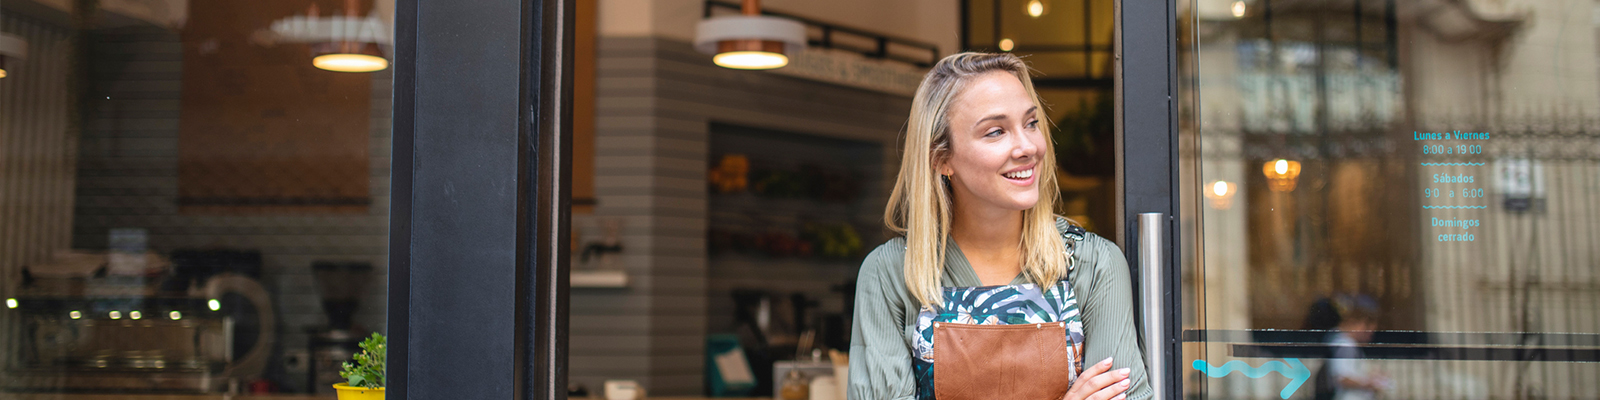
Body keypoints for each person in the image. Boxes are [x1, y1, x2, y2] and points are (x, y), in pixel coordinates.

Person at [847, 52, 1151, 400]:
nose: (1027, 147)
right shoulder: (891, 274)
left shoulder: (1092, 264)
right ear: (941, 159)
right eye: (996, 132)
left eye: (1031, 123)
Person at [1314, 294, 1390, 400]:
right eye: (1369, 331)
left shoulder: (1340, 342)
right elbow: (1342, 378)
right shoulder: (1345, 344)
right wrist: (1369, 383)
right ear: (1357, 324)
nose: (1369, 335)